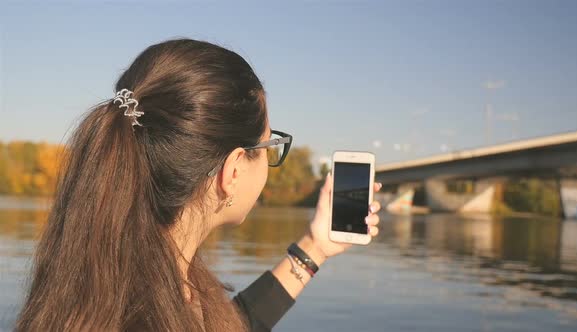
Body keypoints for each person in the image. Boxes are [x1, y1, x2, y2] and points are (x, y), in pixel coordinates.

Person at [15, 38, 382, 332]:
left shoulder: (122, 277)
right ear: (234, 169)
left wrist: (315, 247)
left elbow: (235, 323)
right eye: (270, 146)